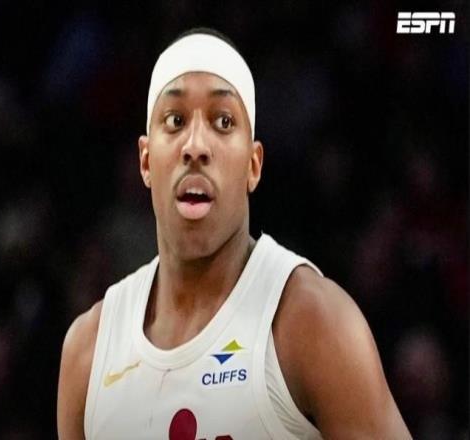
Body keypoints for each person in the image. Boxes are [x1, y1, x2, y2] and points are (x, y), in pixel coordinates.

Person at [57, 27, 412, 439]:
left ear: (253, 165)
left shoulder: (313, 321)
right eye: (175, 121)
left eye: (223, 122)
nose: (195, 146)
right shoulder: (88, 350)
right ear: (146, 161)